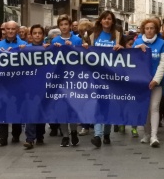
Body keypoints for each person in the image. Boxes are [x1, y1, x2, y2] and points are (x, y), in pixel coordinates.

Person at [82, 11, 124, 148]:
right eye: (104, 19)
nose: (107, 21)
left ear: (112, 22)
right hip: (96, 74)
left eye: (109, 19)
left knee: (108, 105)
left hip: (112, 75)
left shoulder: (118, 34)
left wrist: (121, 48)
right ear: (100, 20)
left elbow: (127, 51)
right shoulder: (93, 34)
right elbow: (85, 50)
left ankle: (106, 133)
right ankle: (97, 136)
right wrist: (85, 47)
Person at [133, 18, 164, 147]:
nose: (149, 30)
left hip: (156, 82)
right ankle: (146, 133)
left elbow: (163, 63)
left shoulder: (162, 43)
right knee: (146, 109)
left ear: (156, 30)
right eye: (147, 28)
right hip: (142, 82)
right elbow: (131, 59)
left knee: (154, 107)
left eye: (152, 28)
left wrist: (156, 80)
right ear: (144, 30)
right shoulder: (137, 41)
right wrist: (137, 48)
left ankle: (154, 135)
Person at [52, 14, 83, 147]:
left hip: (74, 78)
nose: (64, 27)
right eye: (61, 25)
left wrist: (73, 48)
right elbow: (51, 60)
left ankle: (74, 131)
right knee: (62, 107)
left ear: (70, 26)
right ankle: (65, 135)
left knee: (73, 107)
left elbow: (83, 57)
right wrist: (54, 49)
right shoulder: (55, 40)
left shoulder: (77, 40)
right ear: (59, 27)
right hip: (60, 78)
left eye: (66, 24)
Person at [0, 20, 27, 146]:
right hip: (3, 83)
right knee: (2, 109)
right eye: (8, 29)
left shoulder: (24, 45)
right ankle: (2, 137)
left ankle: (16, 134)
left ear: (17, 30)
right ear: (5, 30)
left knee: (16, 109)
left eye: (13, 29)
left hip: (18, 83)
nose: (11, 31)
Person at [21, 24, 48, 150]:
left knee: (40, 110)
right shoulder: (25, 48)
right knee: (31, 110)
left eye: (40, 33)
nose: (37, 35)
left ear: (43, 35)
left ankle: (40, 134)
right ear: (30, 35)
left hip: (44, 84)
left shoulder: (48, 48)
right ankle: (30, 138)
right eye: (35, 33)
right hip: (30, 84)